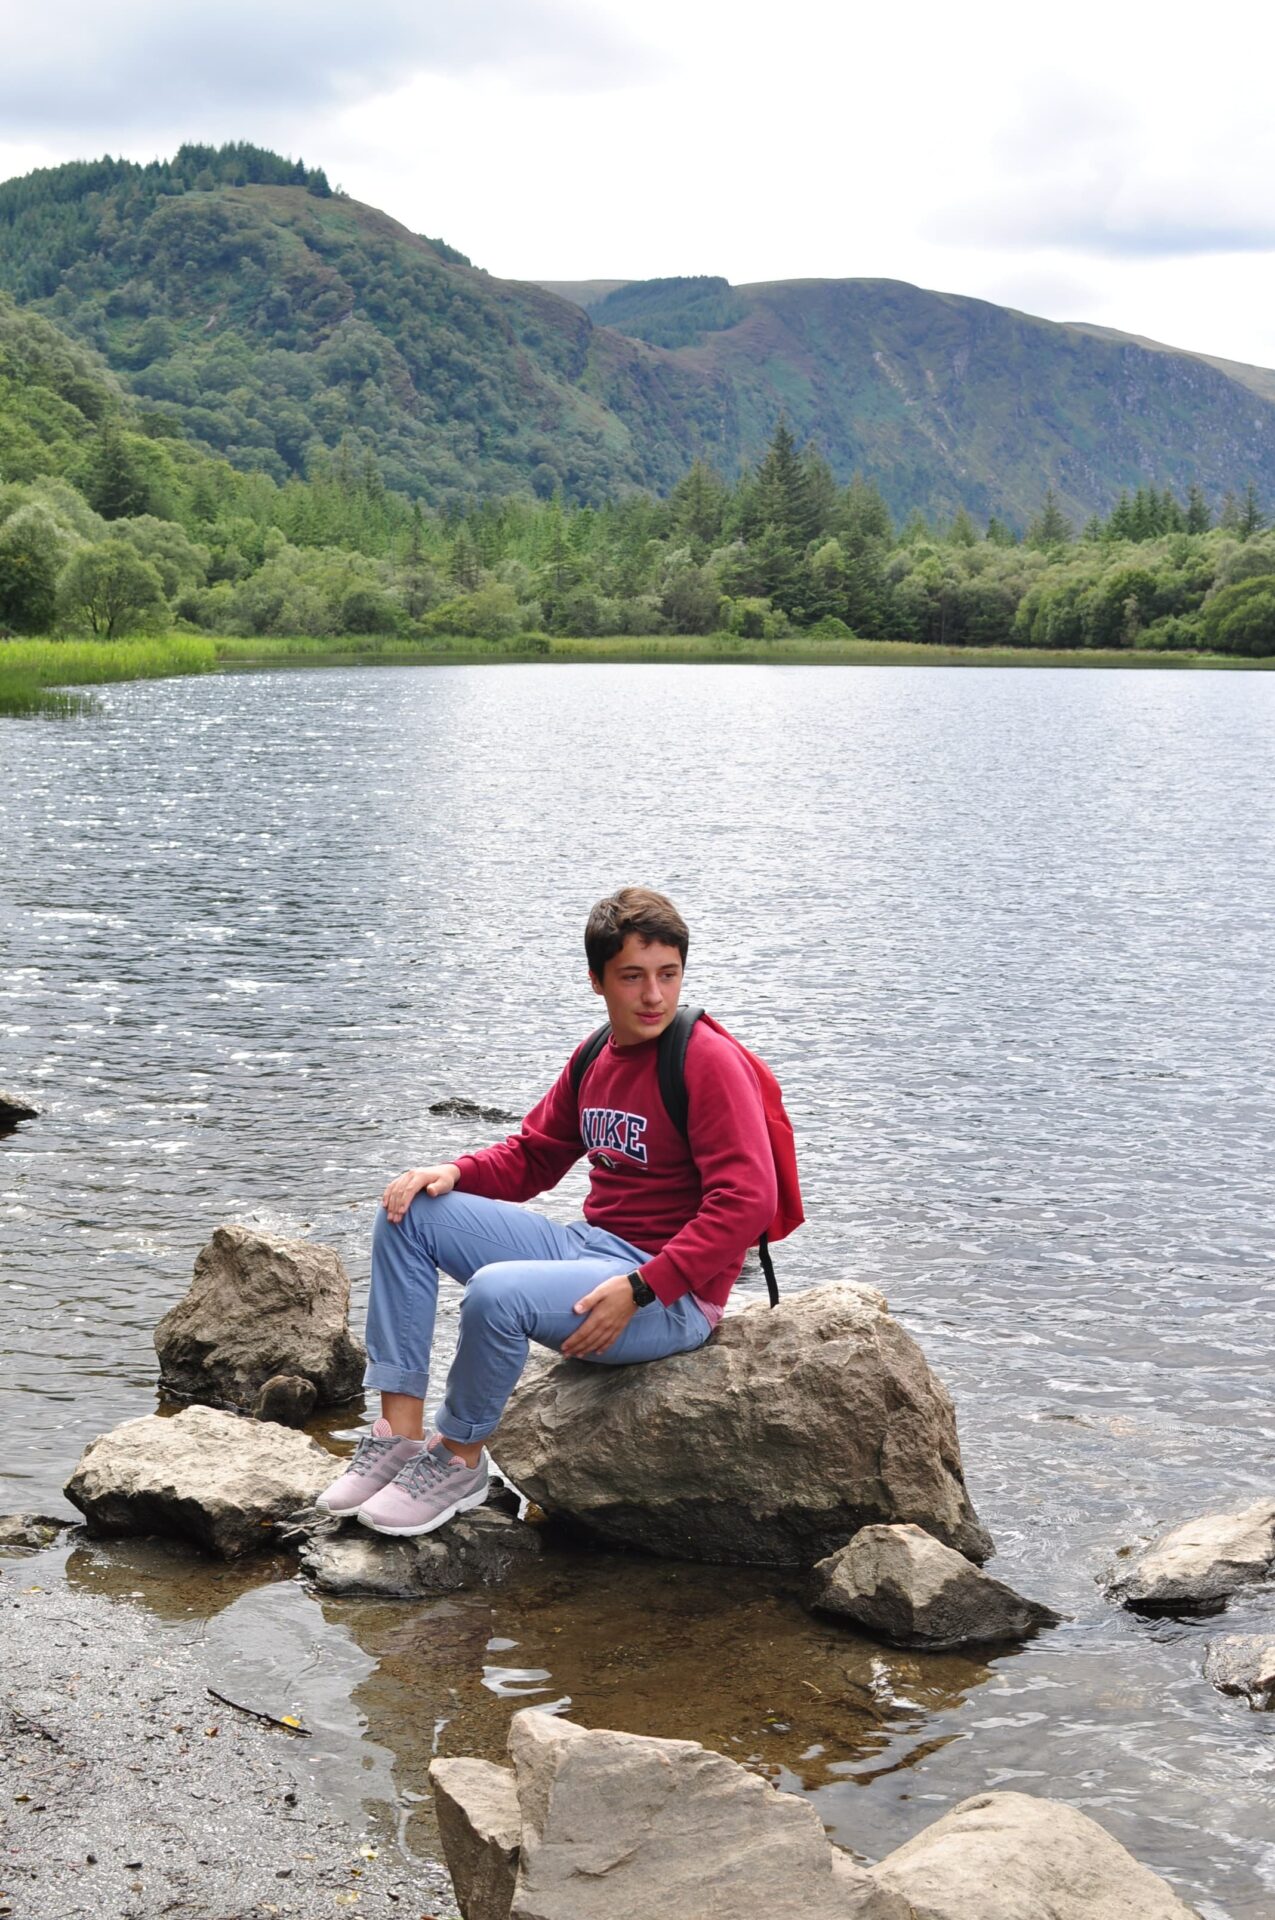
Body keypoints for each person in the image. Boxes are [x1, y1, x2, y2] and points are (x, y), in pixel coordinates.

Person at [317, 886, 777, 1536]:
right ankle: (399, 1437)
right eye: (633, 976)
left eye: (668, 974)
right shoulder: (596, 1055)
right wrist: (456, 1172)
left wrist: (642, 1288)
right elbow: (536, 1155)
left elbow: (748, 1202)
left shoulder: (706, 1061)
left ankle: (459, 1459)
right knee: (407, 1212)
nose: (654, 996)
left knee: (496, 1293)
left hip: (673, 1298)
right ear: (597, 980)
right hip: (591, 1249)